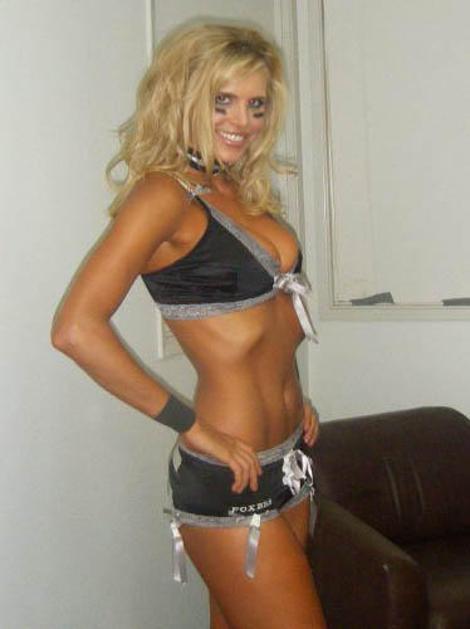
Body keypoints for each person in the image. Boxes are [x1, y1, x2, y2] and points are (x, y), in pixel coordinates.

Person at [51, 21, 326, 629]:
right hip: (230, 470)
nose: (242, 121)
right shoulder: (164, 196)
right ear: (185, 96)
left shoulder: (235, 188)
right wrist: (192, 427)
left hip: (289, 458)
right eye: (223, 100)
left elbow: (266, 327)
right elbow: (75, 328)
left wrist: (295, 396)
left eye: (256, 105)